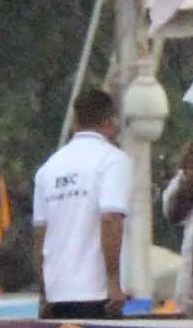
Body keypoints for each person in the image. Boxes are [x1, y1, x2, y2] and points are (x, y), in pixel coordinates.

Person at [31, 92, 139, 315]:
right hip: (95, 293)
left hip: (56, 293)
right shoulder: (113, 161)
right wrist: (112, 282)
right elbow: (110, 219)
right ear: (111, 123)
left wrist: (43, 293)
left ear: (74, 122)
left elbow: (40, 236)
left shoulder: (48, 169)